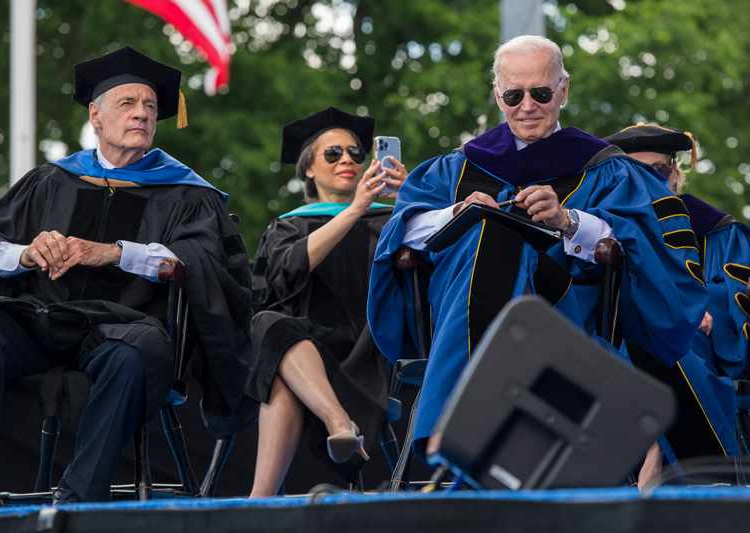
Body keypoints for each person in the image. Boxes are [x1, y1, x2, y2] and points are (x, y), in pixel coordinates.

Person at [367, 35, 710, 481]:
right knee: (485, 234)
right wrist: (457, 213)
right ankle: (473, 439)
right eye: (514, 94)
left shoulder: (604, 167)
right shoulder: (455, 167)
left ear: (563, 90)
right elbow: (404, 230)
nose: (527, 105)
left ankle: (452, 437)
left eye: (541, 93)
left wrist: (570, 221)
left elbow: (638, 244)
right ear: (497, 95)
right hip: (462, 304)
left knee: (492, 239)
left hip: (565, 306)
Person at [0, 46, 252, 508]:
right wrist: (26, 254)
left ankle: (78, 497)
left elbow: (205, 262)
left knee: (136, 354)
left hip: (122, 329)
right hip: (42, 319)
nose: (142, 114)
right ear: (96, 113)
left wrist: (115, 254)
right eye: (128, 103)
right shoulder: (50, 181)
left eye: (150, 106)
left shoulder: (187, 192)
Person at [246, 106, 406, 497]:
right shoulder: (290, 226)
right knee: (268, 325)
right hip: (310, 358)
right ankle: (337, 420)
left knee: (278, 363)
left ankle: (258, 502)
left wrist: (409, 202)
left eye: (355, 153)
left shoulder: (390, 219)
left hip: (373, 356)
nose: (348, 160)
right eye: (333, 154)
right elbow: (279, 284)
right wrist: (354, 210)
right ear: (309, 170)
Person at [603, 124, 743, 476]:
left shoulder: (721, 234)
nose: (650, 182)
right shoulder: (603, 234)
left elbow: (737, 321)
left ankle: (689, 472)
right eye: (636, 173)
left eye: (659, 171)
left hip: (698, 361)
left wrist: (701, 309)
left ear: (676, 174)